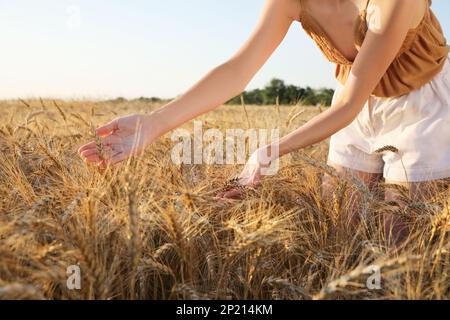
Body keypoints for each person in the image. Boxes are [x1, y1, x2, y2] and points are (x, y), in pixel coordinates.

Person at [78, 0, 449, 244]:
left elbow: (349, 105)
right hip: (352, 99)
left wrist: (268, 152)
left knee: (400, 240)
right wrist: (154, 122)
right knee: (340, 234)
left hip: (421, 104)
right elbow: (238, 70)